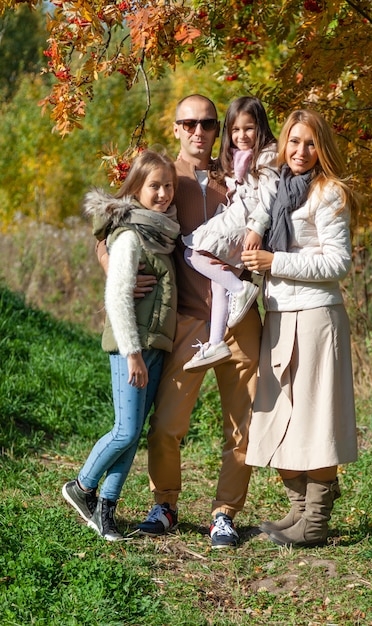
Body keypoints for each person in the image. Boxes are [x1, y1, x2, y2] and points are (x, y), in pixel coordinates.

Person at [96, 94, 262, 548]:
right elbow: (108, 233)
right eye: (188, 123)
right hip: (187, 322)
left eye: (207, 123)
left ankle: (225, 514)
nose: (198, 132)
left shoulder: (242, 175)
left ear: (217, 129)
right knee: (166, 424)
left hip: (242, 318)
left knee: (242, 426)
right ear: (175, 128)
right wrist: (120, 277)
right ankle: (164, 504)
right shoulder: (164, 178)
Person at [242, 109, 358, 547]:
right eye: (294, 142)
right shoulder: (278, 191)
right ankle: (298, 512)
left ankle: (315, 521)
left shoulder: (328, 194)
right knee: (282, 416)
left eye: (310, 143)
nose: (300, 152)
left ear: (321, 147)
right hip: (279, 314)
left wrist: (276, 263)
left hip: (314, 315)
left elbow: (337, 262)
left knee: (315, 416)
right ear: (283, 143)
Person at [62, 150, 180, 541]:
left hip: (154, 346)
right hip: (132, 348)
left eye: (168, 185)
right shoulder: (131, 235)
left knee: (134, 432)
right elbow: (116, 298)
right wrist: (132, 353)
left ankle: (106, 507)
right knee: (125, 431)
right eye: (154, 186)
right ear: (136, 188)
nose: (162, 193)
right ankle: (81, 486)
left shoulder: (161, 233)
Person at [182, 96, 278, 373]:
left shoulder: (268, 155)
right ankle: (216, 342)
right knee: (217, 276)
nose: (241, 136)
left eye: (248, 128)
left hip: (247, 218)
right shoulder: (236, 156)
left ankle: (241, 289)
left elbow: (270, 198)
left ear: (260, 127)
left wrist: (256, 227)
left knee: (193, 252)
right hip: (239, 213)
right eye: (235, 130)